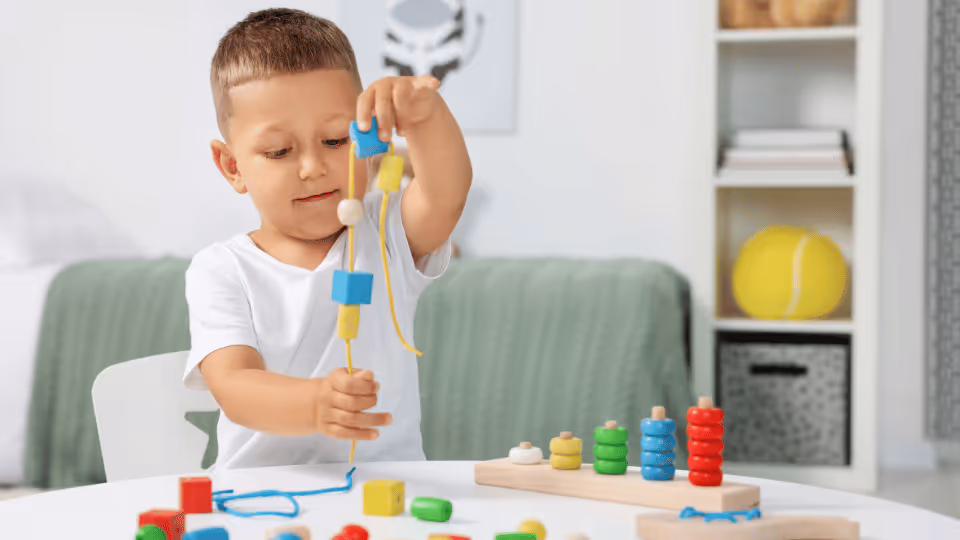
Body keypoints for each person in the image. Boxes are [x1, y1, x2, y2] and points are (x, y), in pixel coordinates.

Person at [182, 7, 471, 470]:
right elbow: (234, 385)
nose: (313, 166)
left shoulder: (385, 234)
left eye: (336, 140)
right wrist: (314, 404)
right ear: (232, 166)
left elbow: (446, 194)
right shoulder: (222, 269)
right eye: (279, 151)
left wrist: (425, 117)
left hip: (387, 487)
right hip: (258, 493)